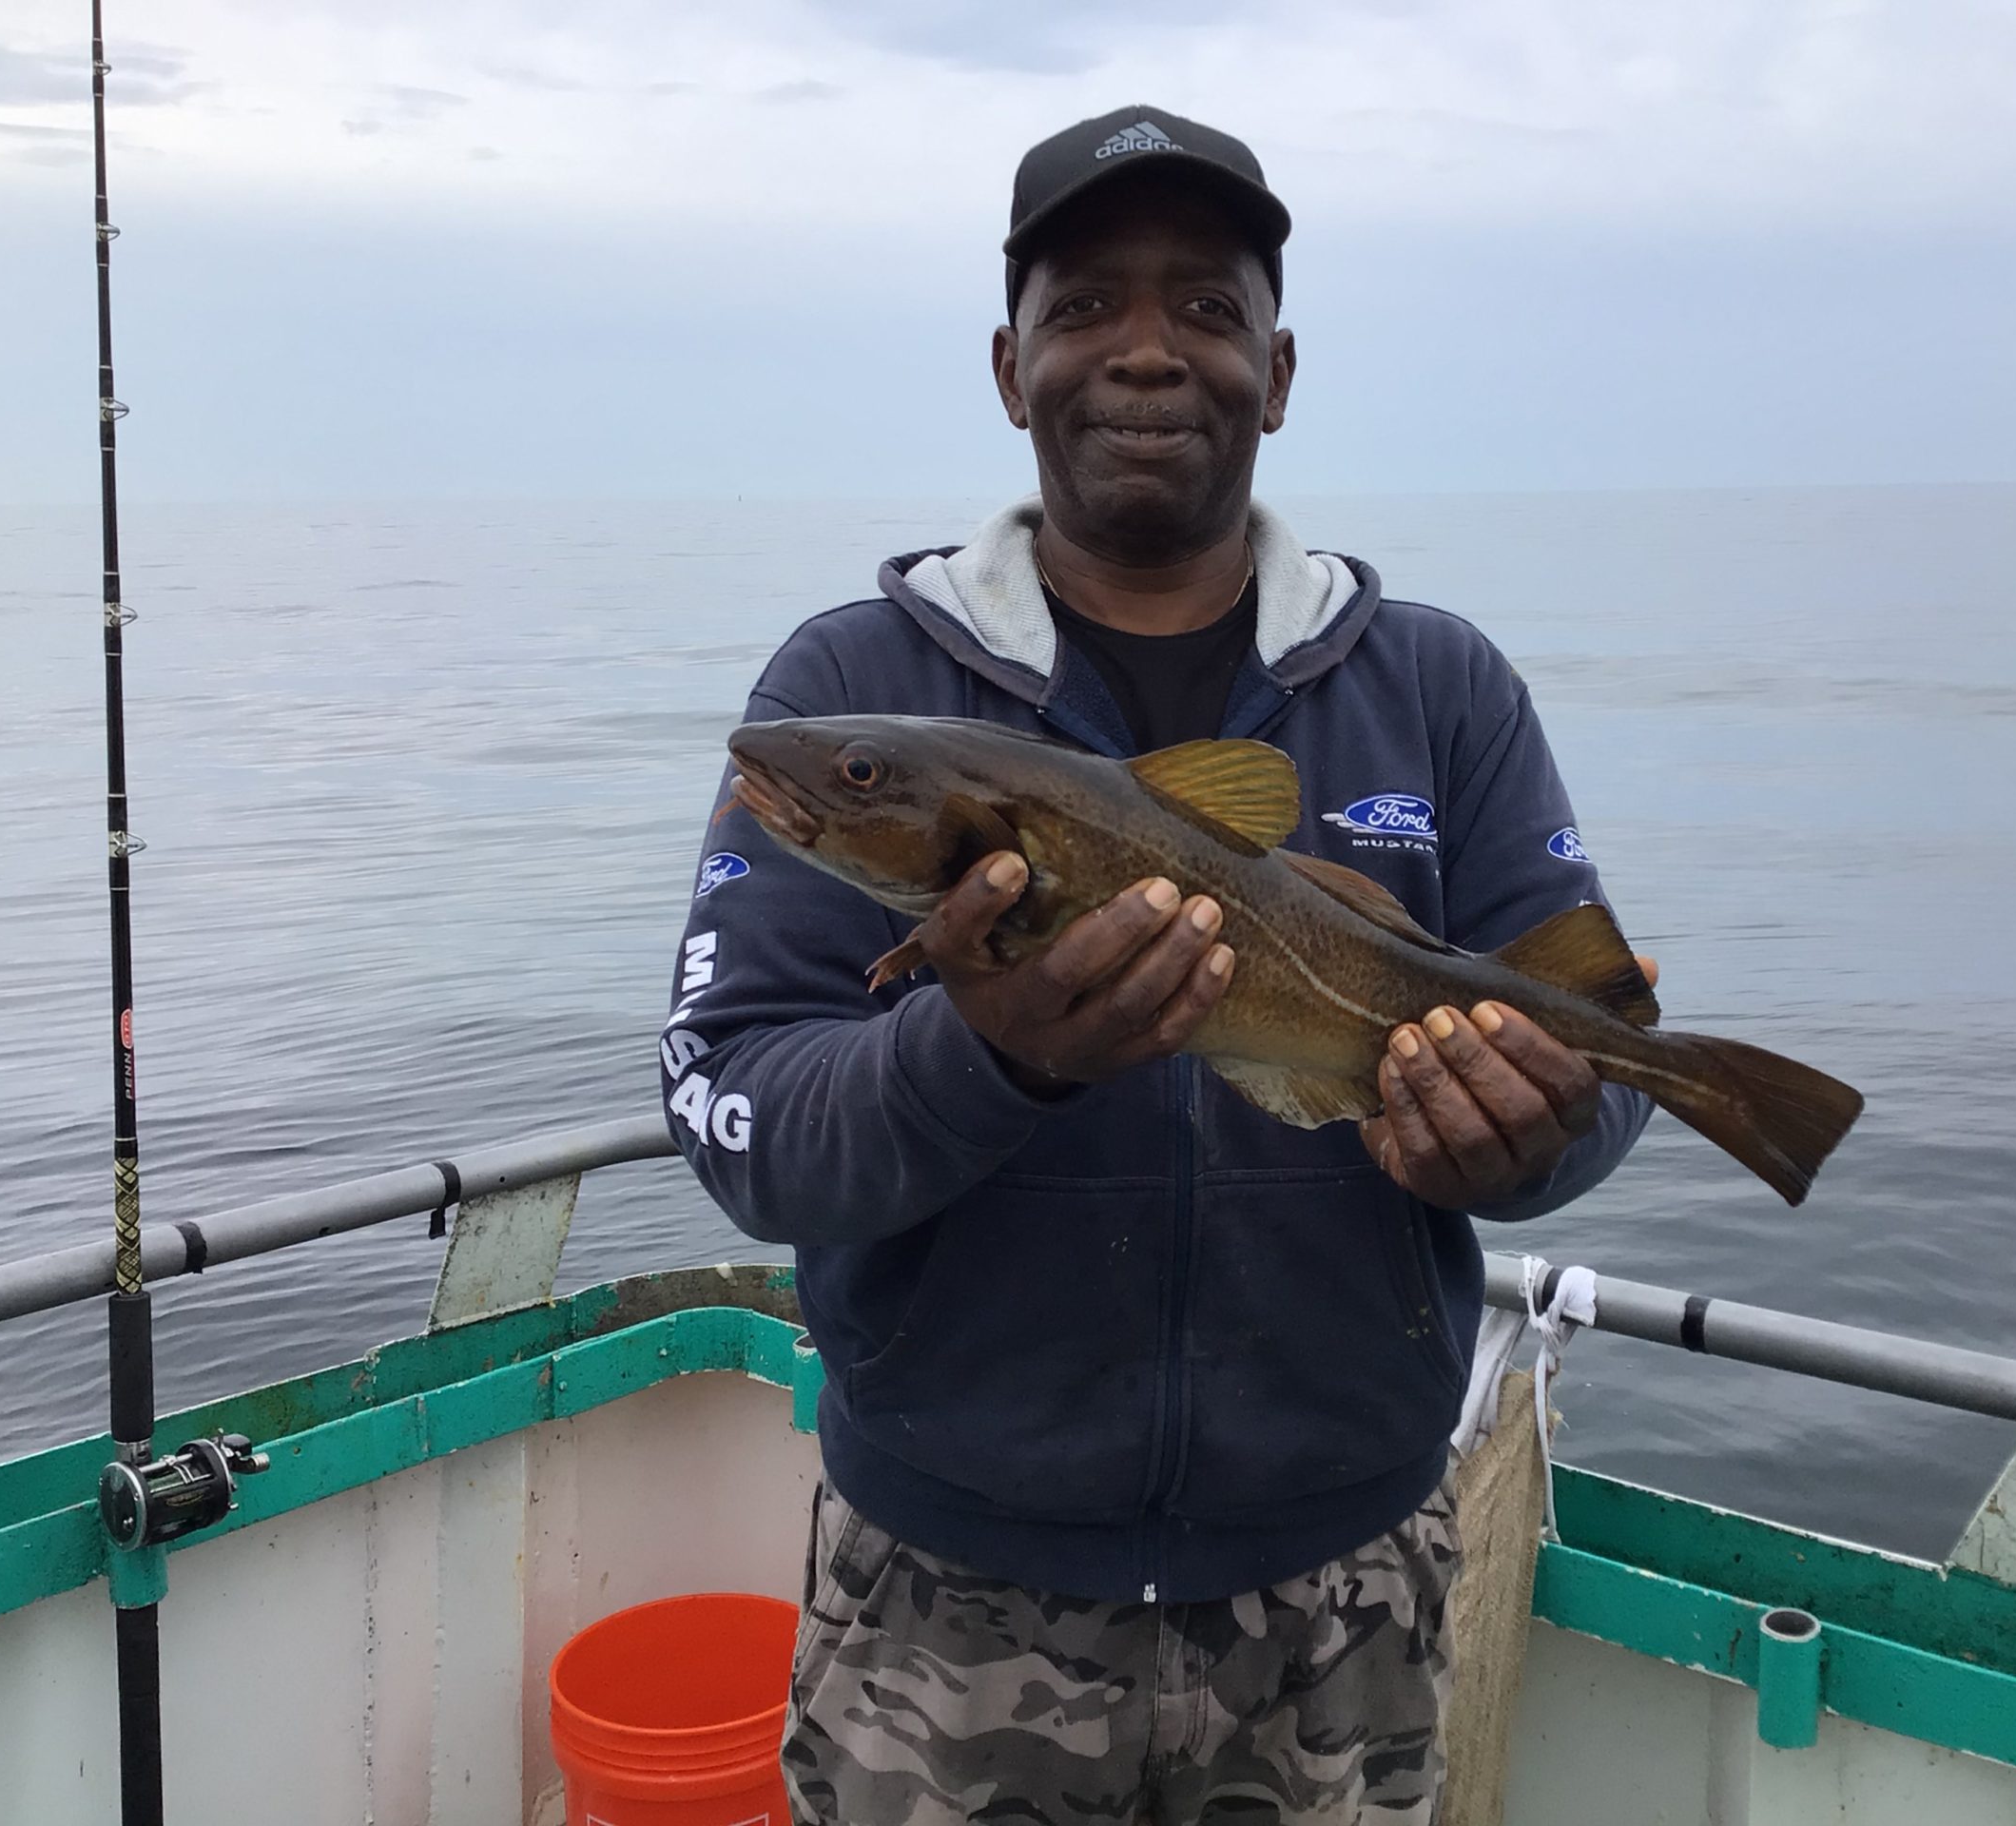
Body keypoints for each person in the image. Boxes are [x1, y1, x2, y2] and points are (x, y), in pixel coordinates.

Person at [661, 104, 1652, 1826]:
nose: (1144, 351)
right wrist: (989, 1058)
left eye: (1205, 308)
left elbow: (1600, 1046)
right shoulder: (847, 689)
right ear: (1008, 364)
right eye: (1085, 306)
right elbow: (735, 1113)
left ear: (1278, 370)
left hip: (1343, 1590)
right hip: (944, 1593)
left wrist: (1541, 1135)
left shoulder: (1439, 686)